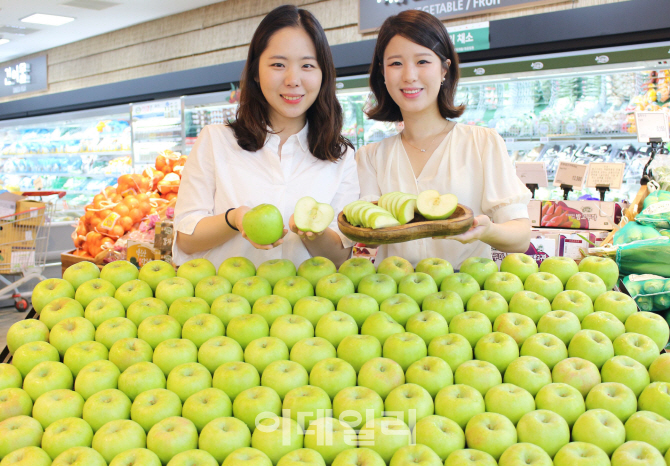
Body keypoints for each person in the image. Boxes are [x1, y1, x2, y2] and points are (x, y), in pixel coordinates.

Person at [173, 5, 359, 269]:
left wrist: (314, 233)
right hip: (225, 303)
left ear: (323, 75)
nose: (293, 79)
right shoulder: (216, 141)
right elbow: (185, 239)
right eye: (278, 64)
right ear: (256, 73)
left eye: (307, 65)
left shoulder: (341, 157)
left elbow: (340, 257)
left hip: (308, 306)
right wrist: (234, 219)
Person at [356, 10, 531, 268]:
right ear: (382, 73)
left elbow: (521, 236)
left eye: (423, 61)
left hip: (468, 299)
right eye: (395, 63)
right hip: (393, 299)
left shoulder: (482, 143)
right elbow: (367, 235)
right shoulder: (370, 157)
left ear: (444, 70)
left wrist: (486, 230)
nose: (409, 76)